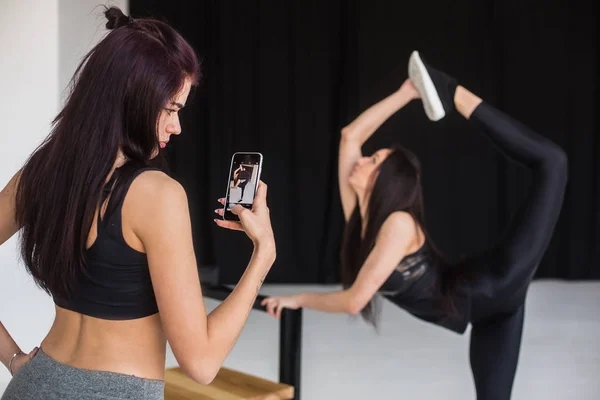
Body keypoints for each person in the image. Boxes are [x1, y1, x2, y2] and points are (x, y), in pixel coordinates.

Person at [0, 7, 275, 400]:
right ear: (132, 100)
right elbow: (201, 362)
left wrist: (12, 359)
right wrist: (263, 253)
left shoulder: (42, 173)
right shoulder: (158, 195)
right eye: (170, 109)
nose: (176, 127)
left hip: (32, 386)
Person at [261, 51, 568, 399]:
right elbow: (349, 136)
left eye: (373, 160)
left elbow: (353, 301)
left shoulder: (398, 226)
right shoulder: (361, 217)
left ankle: (452, 92)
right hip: (490, 314)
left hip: (497, 281)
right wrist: (407, 93)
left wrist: (296, 299)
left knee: (553, 163)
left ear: (385, 182)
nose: (361, 160)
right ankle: (441, 89)